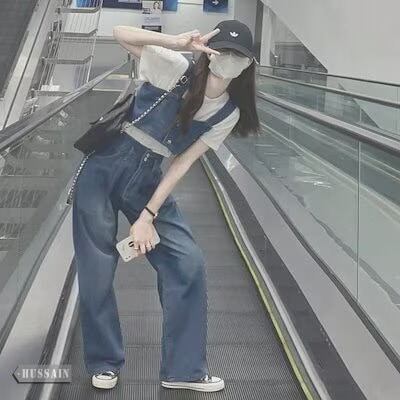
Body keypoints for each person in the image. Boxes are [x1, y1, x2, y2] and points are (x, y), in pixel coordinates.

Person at [72, 19, 259, 393]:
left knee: (187, 260)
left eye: (238, 55)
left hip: (147, 179)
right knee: (96, 268)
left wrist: (148, 215)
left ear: (248, 64)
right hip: (103, 166)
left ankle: (183, 370)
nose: (229, 59)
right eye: (223, 50)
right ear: (209, 51)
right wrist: (177, 42)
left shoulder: (229, 113)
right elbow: (120, 33)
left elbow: (182, 162)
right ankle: (104, 361)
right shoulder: (176, 67)